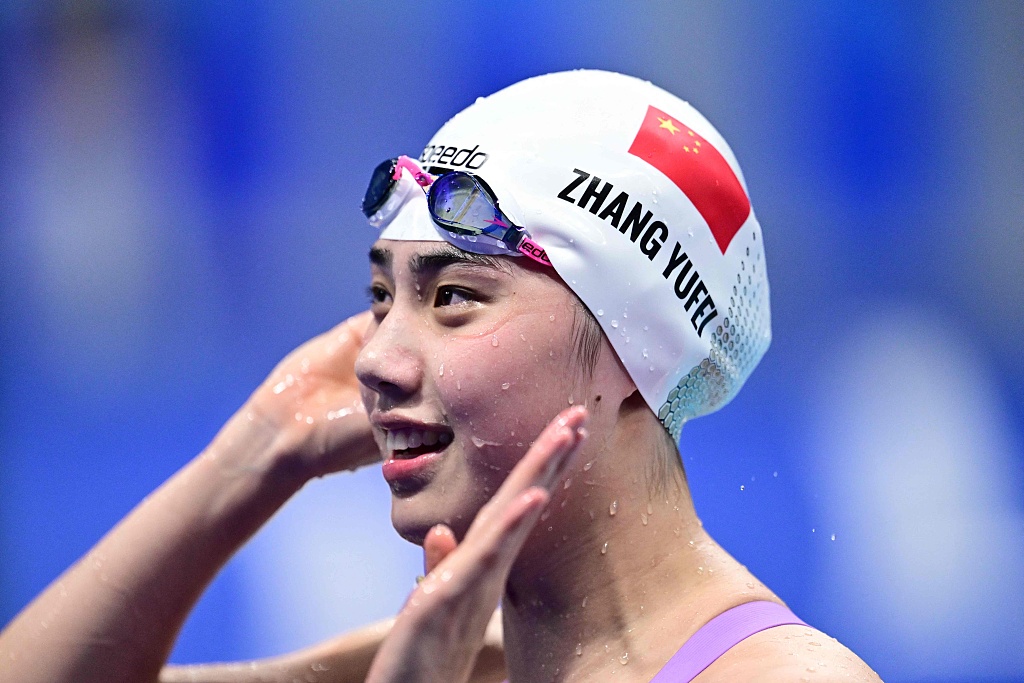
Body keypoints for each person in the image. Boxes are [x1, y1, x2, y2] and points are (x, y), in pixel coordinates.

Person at [0, 70, 882, 682]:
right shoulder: (475, 658)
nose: (378, 358)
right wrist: (251, 460)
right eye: (382, 295)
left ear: (627, 349)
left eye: (454, 295)